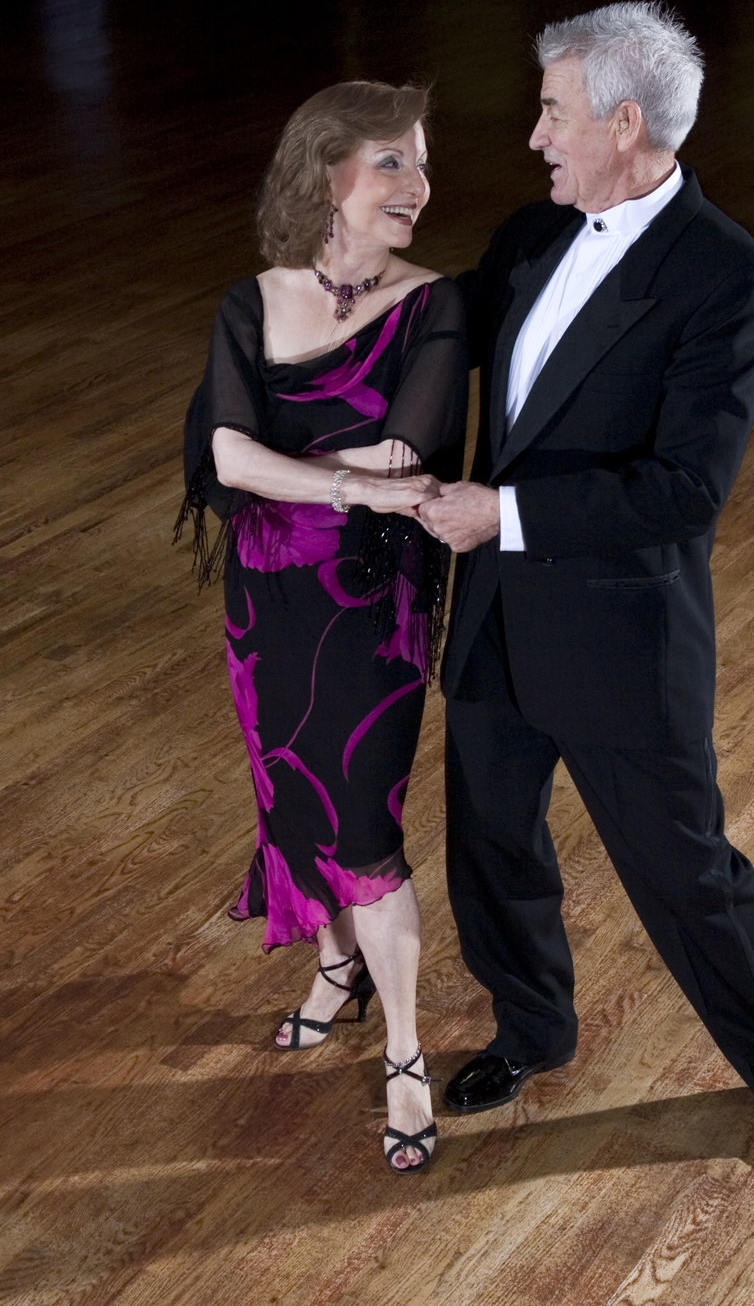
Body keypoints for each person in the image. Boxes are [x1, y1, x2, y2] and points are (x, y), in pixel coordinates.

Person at [415, 2, 754, 1183]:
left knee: (685, 873)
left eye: (551, 114)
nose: (536, 137)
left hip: (615, 639)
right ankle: (530, 1026)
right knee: (490, 845)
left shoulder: (723, 277)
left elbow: (683, 489)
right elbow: (441, 333)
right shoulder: (530, 236)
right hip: (499, 617)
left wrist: (496, 514)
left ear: (622, 121)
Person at [177, 80, 468, 1174]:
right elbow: (225, 459)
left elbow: (413, 454)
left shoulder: (435, 305)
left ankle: (402, 1051)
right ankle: (334, 970)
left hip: (368, 610)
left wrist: (304, 472)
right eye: (389, 160)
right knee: (290, 795)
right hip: (266, 600)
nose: (416, 183)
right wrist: (346, 480)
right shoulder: (247, 304)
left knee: (365, 824)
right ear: (321, 174)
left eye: (420, 161)